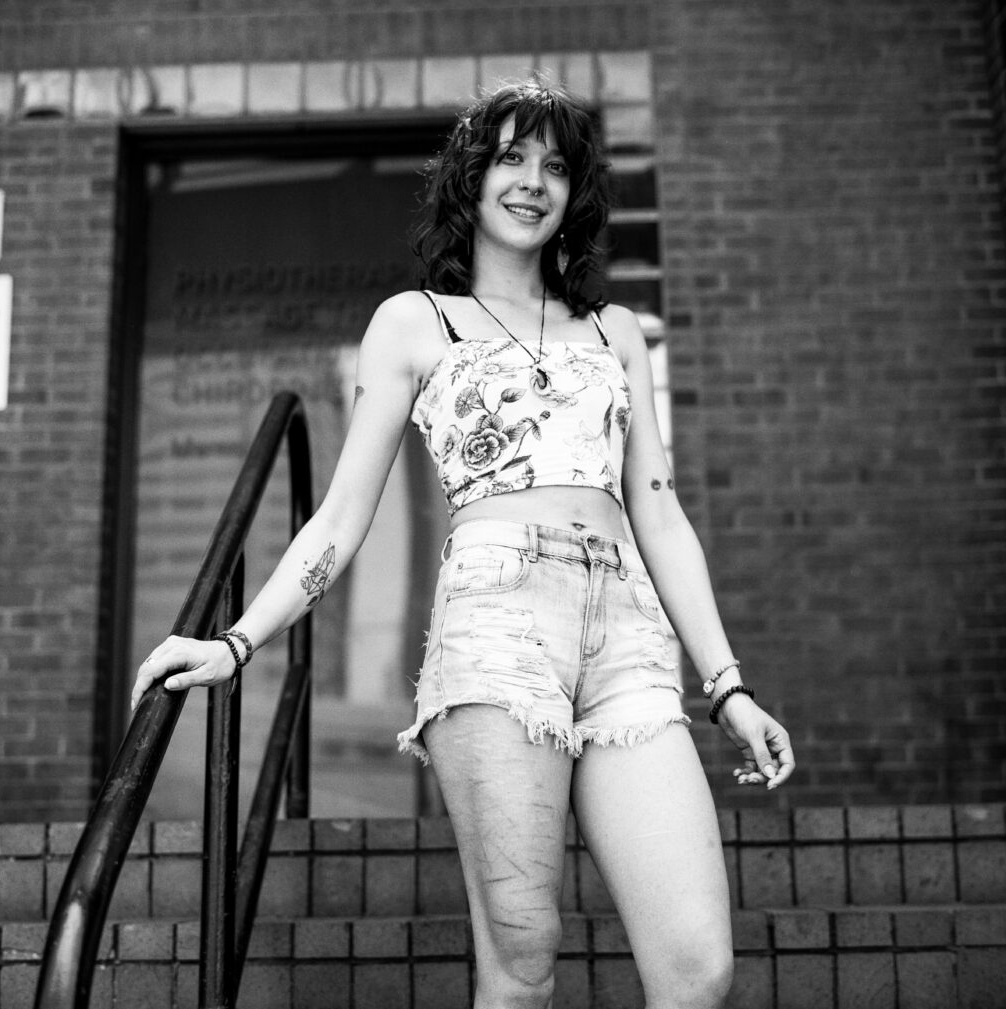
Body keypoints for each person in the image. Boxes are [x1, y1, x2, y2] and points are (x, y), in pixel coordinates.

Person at [132, 80, 795, 1009]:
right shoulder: (415, 322)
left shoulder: (614, 332)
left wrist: (727, 686)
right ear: (471, 178)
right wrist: (237, 642)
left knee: (698, 966)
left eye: (555, 166)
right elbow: (342, 516)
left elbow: (660, 513)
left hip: (628, 634)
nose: (532, 182)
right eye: (511, 159)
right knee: (522, 963)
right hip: (498, 626)